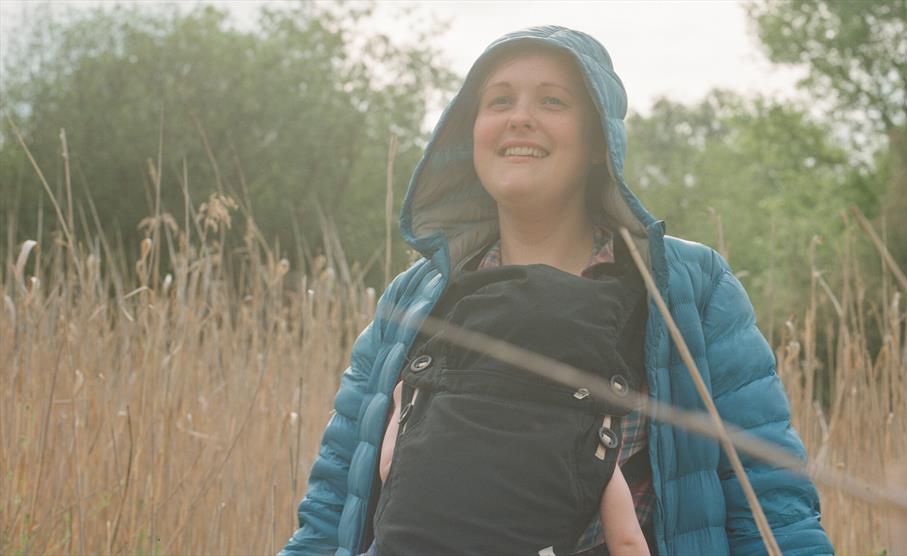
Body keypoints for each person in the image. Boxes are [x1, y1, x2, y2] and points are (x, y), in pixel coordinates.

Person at [281, 25, 834, 556]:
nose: (519, 118)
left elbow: (771, 504)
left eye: (552, 102)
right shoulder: (416, 299)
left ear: (600, 141)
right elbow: (334, 504)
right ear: (467, 131)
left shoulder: (687, 288)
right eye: (498, 102)